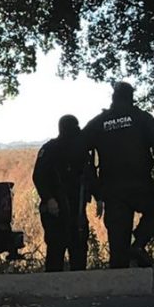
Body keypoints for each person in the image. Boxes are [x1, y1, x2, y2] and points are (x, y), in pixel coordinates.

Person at [81, 82, 154, 268]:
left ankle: (119, 279)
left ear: (113, 98)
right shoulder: (141, 118)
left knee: (118, 245)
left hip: (112, 190)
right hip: (140, 185)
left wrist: (95, 188)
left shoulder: (100, 122)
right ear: (131, 97)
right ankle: (138, 245)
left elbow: (79, 150)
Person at [33, 115, 94, 271]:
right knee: (55, 250)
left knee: (78, 250)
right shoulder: (50, 149)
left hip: (76, 208)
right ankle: (54, 282)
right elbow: (39, 176)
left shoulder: (81, 150)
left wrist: (98, 196)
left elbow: (90, 176)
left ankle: (78, 282)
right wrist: (49, 199)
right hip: (56, 209)